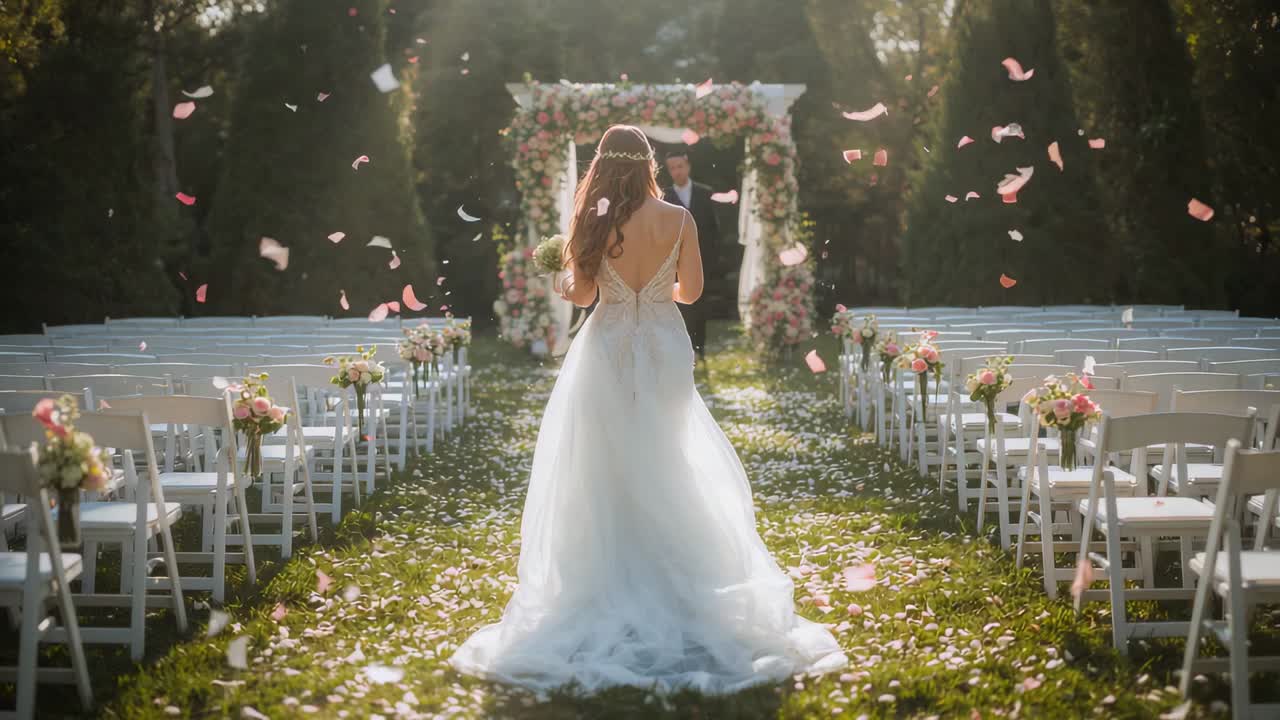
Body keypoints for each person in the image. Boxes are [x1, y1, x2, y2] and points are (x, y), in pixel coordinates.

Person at [450, 125, 847, 694]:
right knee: (667, 452)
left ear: (603, 167)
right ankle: (682, 578)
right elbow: (691, 292)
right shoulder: (677, 219)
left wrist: (566, 271)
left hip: (607, 347)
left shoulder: (594, 220)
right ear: (649, 164)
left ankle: (607, 577)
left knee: (602, 461)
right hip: (662, 344)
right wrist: (653, 286)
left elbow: (583, 297)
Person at [661, 149, 720, 361]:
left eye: (680, 166)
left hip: (702, 260)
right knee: (679, 305)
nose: (677, 171)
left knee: (700, 304)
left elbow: (714, 229)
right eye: (672, 168)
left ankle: (700, 348)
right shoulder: (664, 196)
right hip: (673, 262)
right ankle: (683, 349)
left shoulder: (705, 192)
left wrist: (711, 260)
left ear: (688, 166)